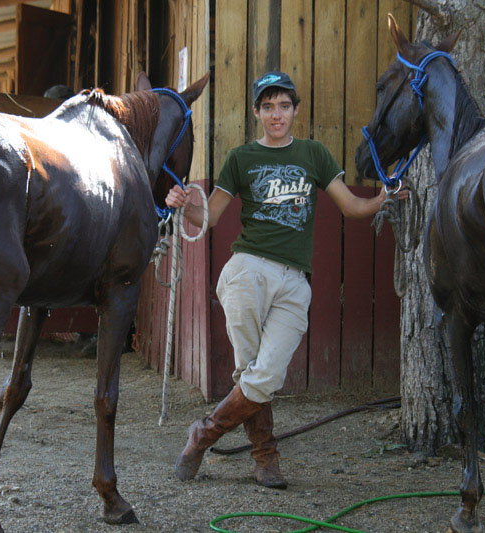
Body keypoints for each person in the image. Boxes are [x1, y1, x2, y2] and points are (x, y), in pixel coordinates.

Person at [166, 71, 408, 489]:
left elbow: (350, 206)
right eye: (267, 106)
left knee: (265, 374)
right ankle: (265, 458)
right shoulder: (241, 158)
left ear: (295, 110)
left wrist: (383, 198)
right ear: (257, 112)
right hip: (247, 271)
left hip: (295, 281)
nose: (276, 114)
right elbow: (209, 217)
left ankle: (203, 434)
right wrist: (182, 203)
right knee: (251, 372)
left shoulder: (313, 154)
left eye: (283, 106)